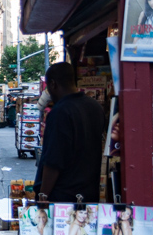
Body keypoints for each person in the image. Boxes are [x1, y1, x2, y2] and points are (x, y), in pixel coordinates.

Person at [34, 62, 106, 202]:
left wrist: (43, 196)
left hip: (63, 199)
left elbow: (54, 161)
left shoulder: (60, 113)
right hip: (89, 195)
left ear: (53, 84)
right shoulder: (95, 107)